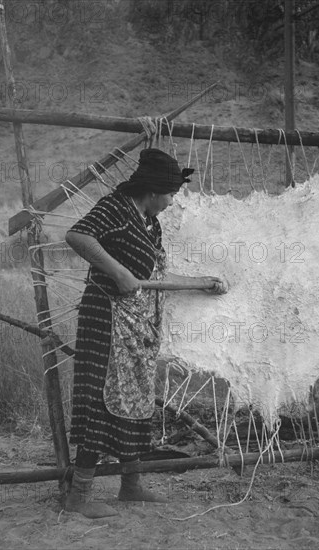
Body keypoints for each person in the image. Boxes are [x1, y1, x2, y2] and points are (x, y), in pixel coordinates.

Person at [64, 148, 228, 518]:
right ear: (153, 190)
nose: (172, 201)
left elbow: (155, 279)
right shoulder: (116, 208)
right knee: (102, 399)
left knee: (136, 400)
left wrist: (200, 283)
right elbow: (77, 236)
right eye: (170, 194)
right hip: (105, 319)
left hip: (136, 326)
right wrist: (117, 271)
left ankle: (131, 485)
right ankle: (77, 496)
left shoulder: (150, 222)